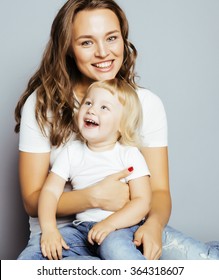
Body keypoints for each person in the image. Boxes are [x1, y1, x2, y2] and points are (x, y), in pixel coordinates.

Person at [15, 0, 219, 260]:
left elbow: (158, 191)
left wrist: (153, 225)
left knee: (206, 264)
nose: (103, 52)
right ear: (68, 48)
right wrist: (93, 197)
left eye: (111, 38)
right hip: (64, 236)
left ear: (123, 40)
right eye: (87, 42)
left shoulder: (146, 104)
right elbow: (33, 201)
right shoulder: (42, 103)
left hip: (128, 228)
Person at [38, 79, 151, 260]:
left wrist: (109, 224)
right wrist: (50, 230)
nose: (91, 109)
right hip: (80, 229)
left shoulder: (129, 154)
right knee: (34, 254)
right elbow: (50, 192)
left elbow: (142, 202)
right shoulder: (71, 152)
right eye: (88, 103)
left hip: (119, 228)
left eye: (104, 108)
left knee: (116, 250)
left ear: (122, 124)